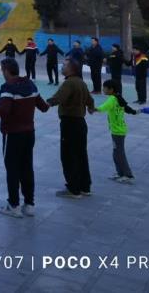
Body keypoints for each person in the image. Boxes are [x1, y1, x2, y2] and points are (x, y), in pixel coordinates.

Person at [0, 58, 49, 218]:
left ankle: (13, 205)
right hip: (29, 133)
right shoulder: (31, 85)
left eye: (2, 70)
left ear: (6, 71)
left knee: (12, 169)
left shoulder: (8, 88)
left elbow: (3, 110)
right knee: (27, 168)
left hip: (13, 134)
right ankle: (29, 205)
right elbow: (43, 107)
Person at [47, 58, 95, 199]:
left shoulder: (69, 83)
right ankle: (85, 187)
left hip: (70, 123)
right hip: (80, 123)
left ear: (71, 69)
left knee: (68, 156)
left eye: (65, 65)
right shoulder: (81, 82)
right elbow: (90, 100)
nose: (62, 66)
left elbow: (58, 98)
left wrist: (44, 103)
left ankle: (73, 189)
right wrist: (90, 108)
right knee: (81, 155)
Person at [95, 80, 137, 184]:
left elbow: (104, 107)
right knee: (116, 153)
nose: (103, 89)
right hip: (118, 130)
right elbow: (126, 108)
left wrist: (94, 109)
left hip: (118, 132)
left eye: (105, 88)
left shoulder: (112, 99)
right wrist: (134, 111)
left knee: (119, 154)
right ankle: (120, 173)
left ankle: (128, 175)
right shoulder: (118, 97)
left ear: (111, 89)